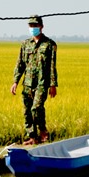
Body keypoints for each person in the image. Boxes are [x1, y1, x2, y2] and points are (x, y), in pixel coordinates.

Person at [11, 15, 58, 145]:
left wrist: (53, 85)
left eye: (35, 25)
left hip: (42, 84)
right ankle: (32, 137)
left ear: (41, 27)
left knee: (36, 108)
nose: (33, 28)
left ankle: (43, 131)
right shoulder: (25, 44)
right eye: (31, 26)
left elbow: (52, 65)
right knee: (27, 111)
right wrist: (15, 82)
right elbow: (20, 64)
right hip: (27, 84)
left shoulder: (49, 45)